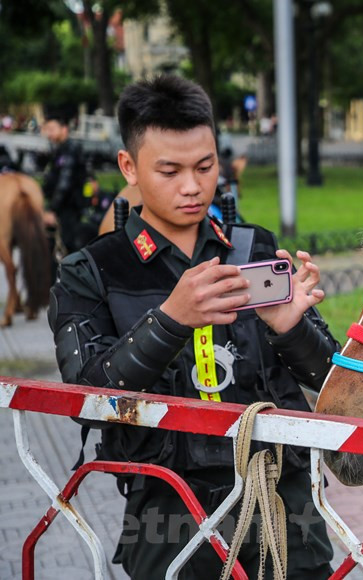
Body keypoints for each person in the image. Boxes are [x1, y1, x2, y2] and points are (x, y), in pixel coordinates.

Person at [47, 75, 336, 578]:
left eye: (205, 167)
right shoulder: (90, 270)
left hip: (281, 495)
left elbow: (332, 380)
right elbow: (85, 397)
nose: (192, 186)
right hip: (167, 506)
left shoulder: (256, 251)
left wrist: (292, 329)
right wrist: (170, 319)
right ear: (129, 167)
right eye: (170, 170)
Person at [41, 113, 89, 253]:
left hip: (69, 208)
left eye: (52, 129)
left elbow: (64, 184)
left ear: (64, 129)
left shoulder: (71, 149)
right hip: (63, 207)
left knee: (67, 247)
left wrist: (52, 210)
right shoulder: (59, 150)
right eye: (47, 129)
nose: (48, 133)